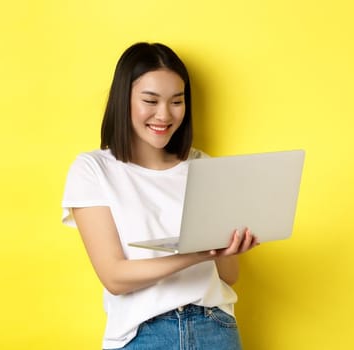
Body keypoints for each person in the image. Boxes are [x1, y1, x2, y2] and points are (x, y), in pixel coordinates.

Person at [61, 42, 259, 349]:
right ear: (123, 100)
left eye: (177, 101)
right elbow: (114, 276)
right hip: (143, 334)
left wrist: (231, 248)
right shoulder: (93, 169)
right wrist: (195, 254)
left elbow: (227, 276)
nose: (164, 115)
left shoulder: (204, 166)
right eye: (150, 101)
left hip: (215, 328)